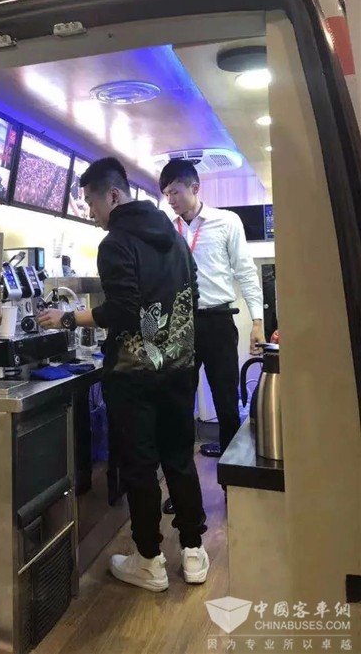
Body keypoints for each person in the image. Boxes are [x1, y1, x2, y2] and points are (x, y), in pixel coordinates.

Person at [38, 157, 208, 592]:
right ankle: (193, 551)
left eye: (92, 203)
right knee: (179, 459)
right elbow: (192, 293)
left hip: (134, 378)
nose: (92, 213)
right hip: (178, 368)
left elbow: (124, 310)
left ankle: (149, 561)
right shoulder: (173, 236)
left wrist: (68, 318)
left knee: (140, 466)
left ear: (113, 195)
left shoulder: (115, 243)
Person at [159, 159, 264, 512]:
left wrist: (258, 322)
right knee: (178, 408)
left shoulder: (226, 221)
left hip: (218, 321)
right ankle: (183, 493)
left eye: (175, 191)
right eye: (166, 193)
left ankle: (234, 488)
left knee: (227, 405)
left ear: (194, 188)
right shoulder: (167, 229)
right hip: (180, 325)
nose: (171, 199)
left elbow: (246, 273)